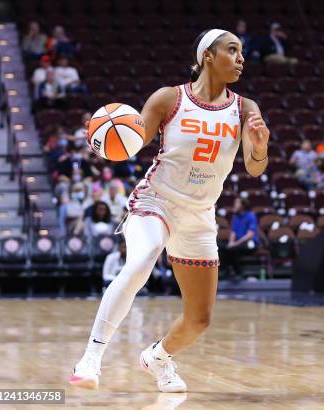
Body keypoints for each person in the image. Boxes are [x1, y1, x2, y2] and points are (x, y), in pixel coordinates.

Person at [69, 29, 269, 392]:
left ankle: (158, 358)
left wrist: (259, 146)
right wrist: (103, 138)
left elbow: (255, 168)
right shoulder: (169, 98)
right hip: (156, 200)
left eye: (242, 52)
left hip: (199, 215)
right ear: (208, 55)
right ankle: (91, 359)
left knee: (199, 320)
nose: (241, 58)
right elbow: (128, 142)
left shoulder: (246, 108)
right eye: (232, 50)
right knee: (142, 257)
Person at [220, 198, 259, 279]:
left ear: (242, 205)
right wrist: (230, 243)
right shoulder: (235, 217)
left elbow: (250, 235)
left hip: (250, 243)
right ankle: (225, 271)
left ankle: (238, 273)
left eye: (237, 203)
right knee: (222, 247)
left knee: (234, 249)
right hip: (238, 243)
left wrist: (235, 244)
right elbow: (233, 232)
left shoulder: (251, 215)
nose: (234, 205)